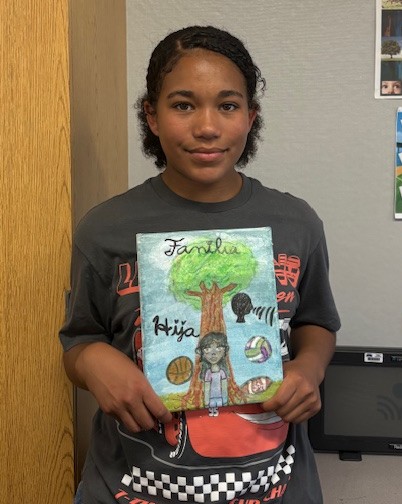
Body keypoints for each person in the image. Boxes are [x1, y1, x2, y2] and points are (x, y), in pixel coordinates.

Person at [60, 25, 340, 504]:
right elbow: (78, 339)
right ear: (151, 116)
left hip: (275, 484)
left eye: (227, 106)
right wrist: (92, 361)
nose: (207, 127)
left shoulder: (296, 223)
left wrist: (310, 367)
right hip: (130, 486)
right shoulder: (104, 229)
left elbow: (316, 321)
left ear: (251, 117)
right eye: (183, 105)